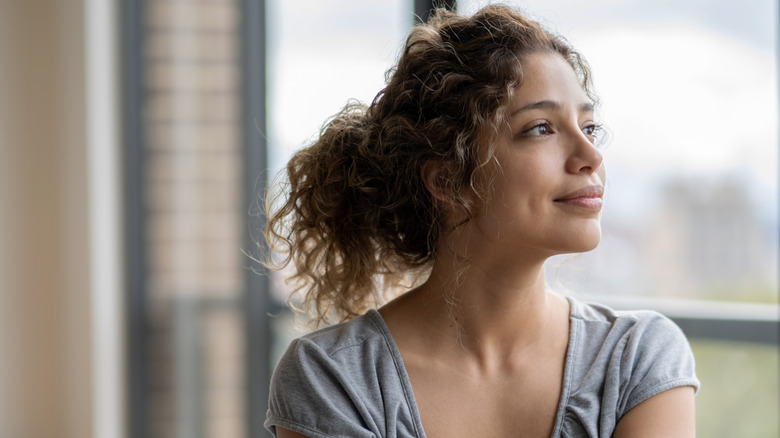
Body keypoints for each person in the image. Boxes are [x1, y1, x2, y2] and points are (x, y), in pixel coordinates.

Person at [263, 5, 699, 438]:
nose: (592, 156)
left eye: (589, 126)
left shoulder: (639, 358)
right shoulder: (333, 378)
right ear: (448, 179)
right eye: (542, 128)